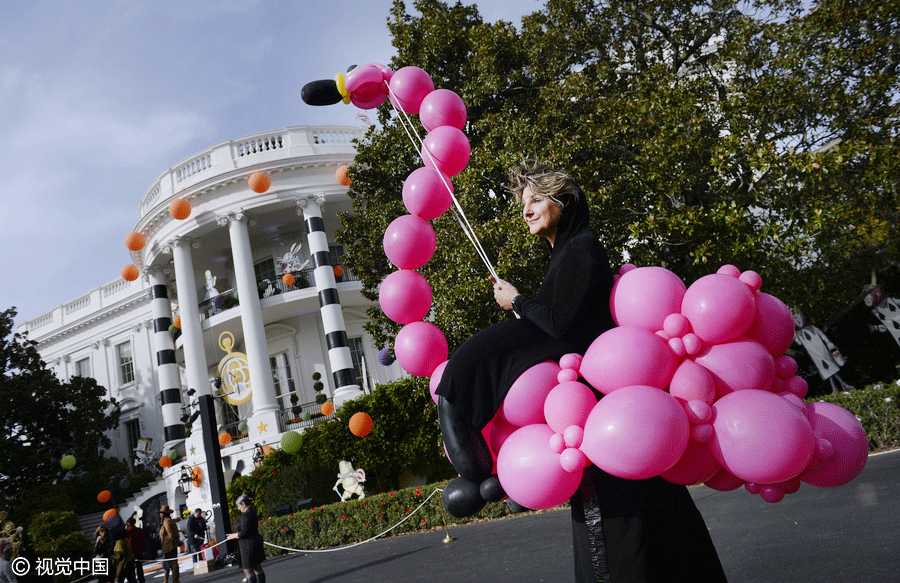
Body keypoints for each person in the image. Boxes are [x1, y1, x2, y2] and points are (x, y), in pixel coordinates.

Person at [435, 160, 727, 582]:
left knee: (627, 514)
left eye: (536, 200)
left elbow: (562, 323)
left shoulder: (582, 246)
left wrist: (517, 302)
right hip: (593, 405)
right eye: (523, 204)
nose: (526, 211)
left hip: (600, 401)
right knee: (628, 509)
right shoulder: (564, 253)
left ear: (564, 202)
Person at [226, 495, 266, 583]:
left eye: (239, 506)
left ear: (243, 504)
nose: (238, 509)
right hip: (253, 543)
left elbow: (244, 532)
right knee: (257, 568)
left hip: (248, 546)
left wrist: (234, 536)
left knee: (248, 571)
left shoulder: (246, 515)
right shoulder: (252, 512)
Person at [157, 506, 181, 583]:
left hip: (169, 546)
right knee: (168, 564)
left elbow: (171, 534)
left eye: (161, 513)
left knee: (173, 564)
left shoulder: (167, 522)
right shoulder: (168, 521)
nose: (160, 515)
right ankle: (168, 581)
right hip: (168, 546)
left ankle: (175, 580)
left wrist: (176, 541)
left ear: (164, 514)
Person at [125, 518, 146, 583]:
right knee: (139, 567)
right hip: (139, 551)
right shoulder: (139, 530)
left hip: (131, 552)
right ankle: (141, 579)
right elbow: (143, 541)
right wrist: (143, 549)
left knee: (131, 568)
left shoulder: (128, 531)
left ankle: (133, 580)